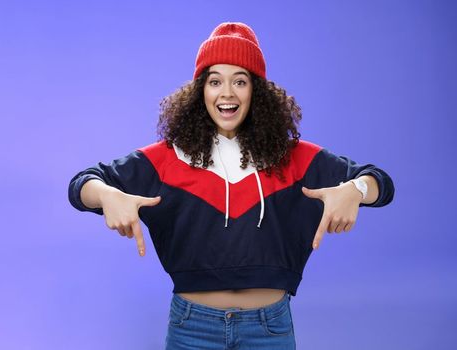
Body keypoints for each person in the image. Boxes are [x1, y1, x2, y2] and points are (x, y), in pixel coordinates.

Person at [66, 22, 395, 349]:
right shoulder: (166, 160)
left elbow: (380, 182)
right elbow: (82, 185)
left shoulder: (295, 158)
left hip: (269, 330)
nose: (227, 93)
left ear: (257, 92)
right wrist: (107, 195)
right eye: (214, 81)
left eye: (240, 81)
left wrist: (357, 190)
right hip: (191, 328)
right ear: (200, 92)